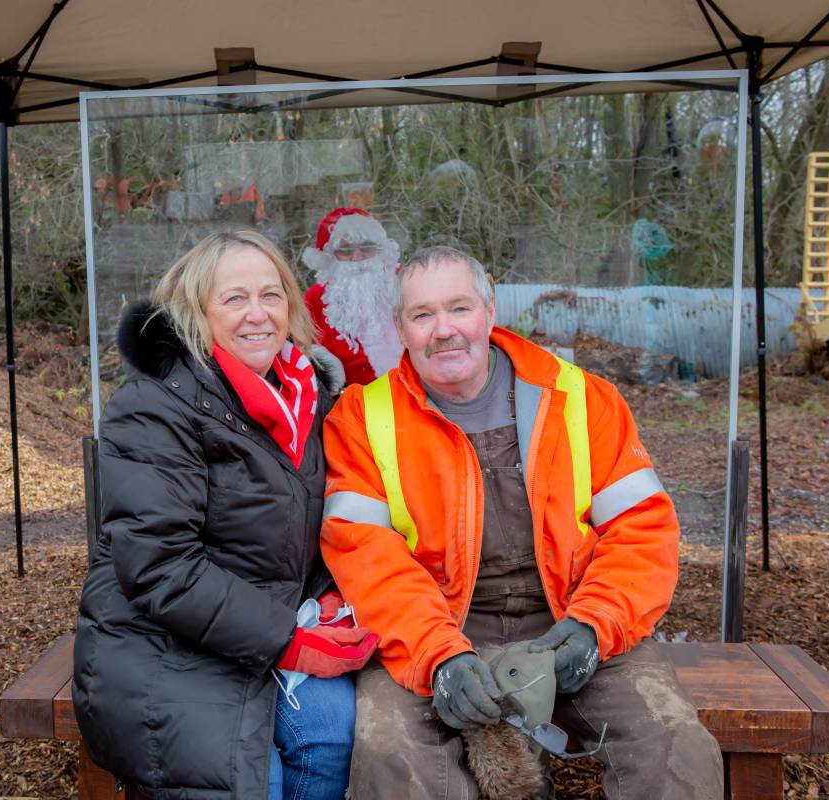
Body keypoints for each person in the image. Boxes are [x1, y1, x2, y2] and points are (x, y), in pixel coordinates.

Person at [319, 246, 723, 799]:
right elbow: (367, 559)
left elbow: (642, 531)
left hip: (572, 620)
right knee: (391, 754)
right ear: (400, 329)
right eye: (422, 315)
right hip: (436, 626)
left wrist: (594, 625)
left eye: (459, 309)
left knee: (675, 746)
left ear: (488, 311)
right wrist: (439, 658)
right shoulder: (363, 419)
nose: (444, 331)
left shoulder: (582, 400)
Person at [74, 230, 376, 800]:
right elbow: (160, 567)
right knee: (250, 779)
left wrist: (333, 590)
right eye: (234, 299)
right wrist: (286, 638)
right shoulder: (155, 406)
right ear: (196, 311)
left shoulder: (311, 399)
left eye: (272, 296)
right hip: (164, 634)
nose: (257, 315)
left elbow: (319, 524)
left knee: (334, 734)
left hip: (272, 617)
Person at [302, 207, 404, 386]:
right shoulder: (316, 298)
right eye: (346, 250)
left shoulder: (404, 282)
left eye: (366, 247)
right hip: (349, 399)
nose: (357, 257)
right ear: (331, 256)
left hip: (412, 387)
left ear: (379, 249)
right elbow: (299, 347)